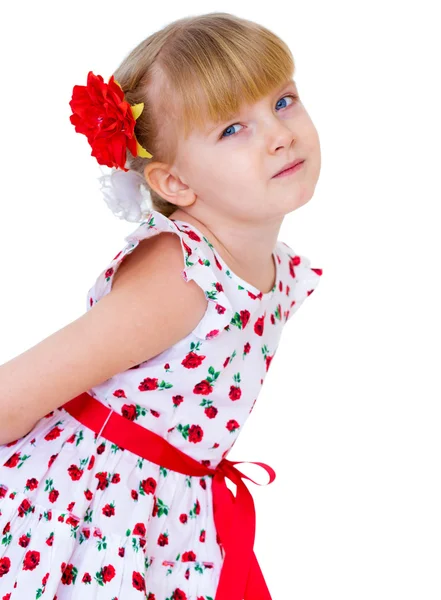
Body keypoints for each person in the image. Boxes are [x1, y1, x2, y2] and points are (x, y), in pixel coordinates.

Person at [0, 11, 323, 600]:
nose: (281, 135)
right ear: (173, 184)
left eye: (282, 101)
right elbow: (13, 397)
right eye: (232, 129)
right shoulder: (180, 276)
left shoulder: (274, 268)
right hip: (87, 518)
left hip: (168, 517)